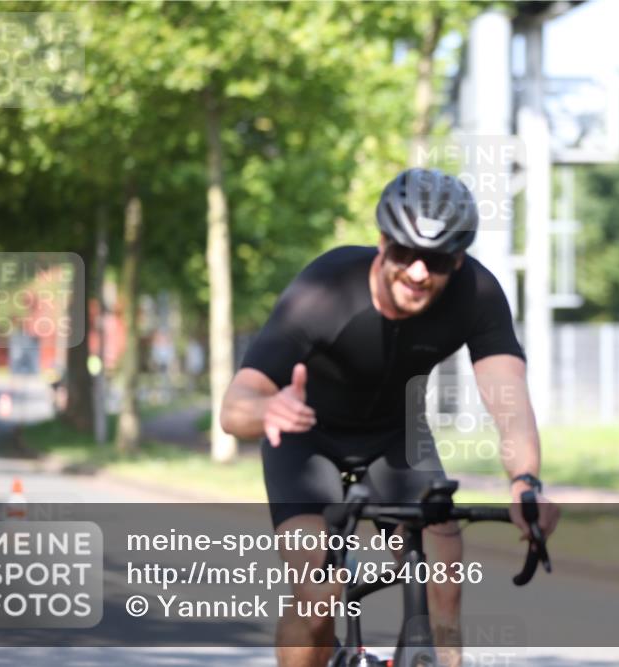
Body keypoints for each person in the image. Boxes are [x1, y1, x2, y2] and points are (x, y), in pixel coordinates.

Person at [221, 167, 558, 667]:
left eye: (438, 260)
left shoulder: (477, 294)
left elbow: (508, 398)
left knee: (444, 577)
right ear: (382, 242)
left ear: (458, 259)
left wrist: (525, 482)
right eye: (405, 253)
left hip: (395, 437)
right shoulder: (324, 290)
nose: (419, 272)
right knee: (319, 598)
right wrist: (268, 408)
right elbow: (234, 407)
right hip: (303, 435)